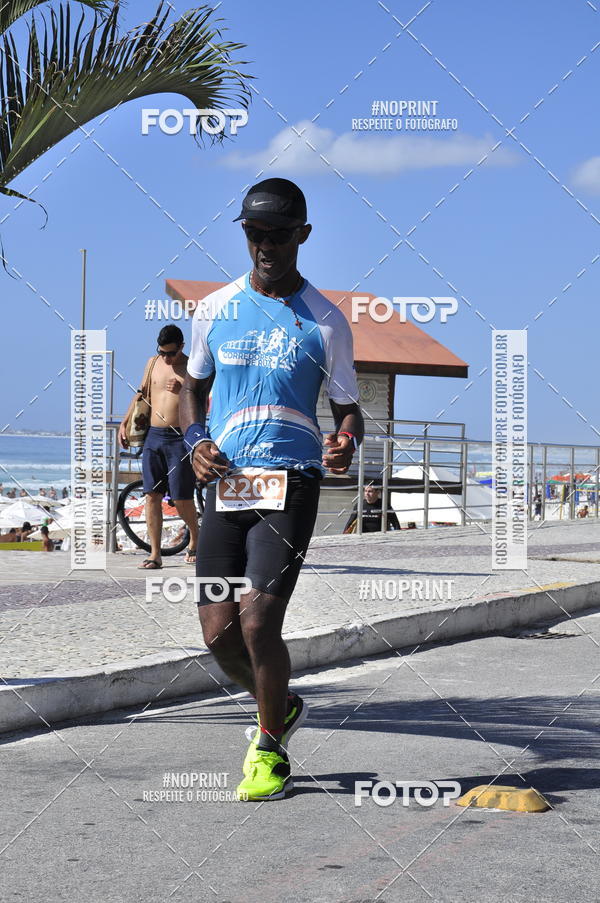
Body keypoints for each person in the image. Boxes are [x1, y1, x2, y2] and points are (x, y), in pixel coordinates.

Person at [180, 177, 364, 802]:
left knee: (258, 621)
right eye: (255, 234)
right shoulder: (215, 310)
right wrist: (196, 444)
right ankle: (279, 705)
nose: (265, 246)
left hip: (293, 480)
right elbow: (193, 399)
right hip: (225, 483)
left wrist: (345, 441)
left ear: (302, 236)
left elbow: (347, 409)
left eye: (278, 236)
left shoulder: (327, 322)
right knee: (216, 632)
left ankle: (269, 749)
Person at [119, 324, 199, 569]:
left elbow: (207, 398)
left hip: (179, 437)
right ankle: (155, 553)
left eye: (171, 353)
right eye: (162, 352)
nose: (166, 357)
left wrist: (185, 385)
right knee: (151, 495)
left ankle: (196, 539)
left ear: (182, 347)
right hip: (153, 436)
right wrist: (124, 423)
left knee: (181, 496)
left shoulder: (193, 366)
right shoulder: (153, 363)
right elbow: (141, 394)